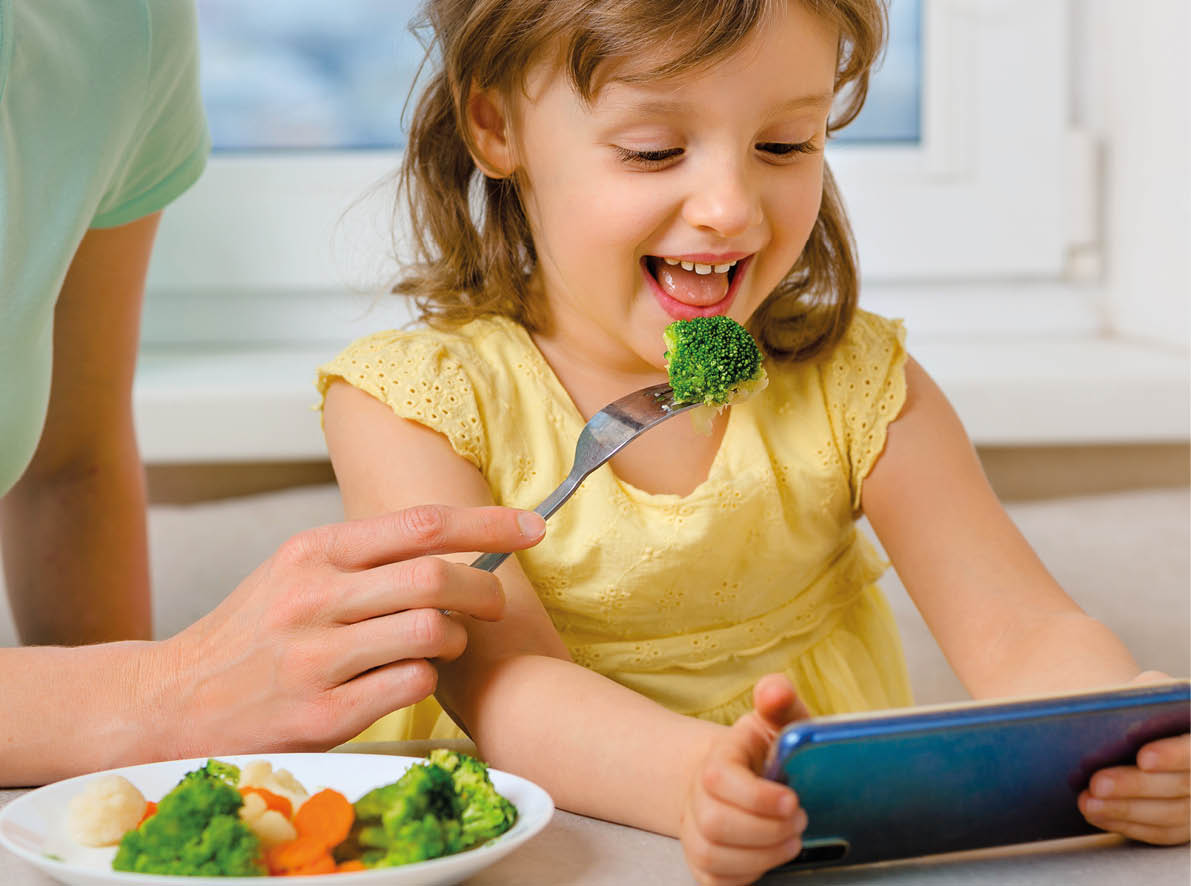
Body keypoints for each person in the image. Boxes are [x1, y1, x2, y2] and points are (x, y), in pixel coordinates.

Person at [318, 0, 1189, 882]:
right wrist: (702, 777)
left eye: (784, 145)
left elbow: (1021, 628)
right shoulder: (411, 403)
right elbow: (508, 688)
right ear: (496, 125)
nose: (729, 208)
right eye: (653, 150)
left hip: (824, 840)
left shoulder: (856, 380)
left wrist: (1122, 731)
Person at [0, 0, 544, 788]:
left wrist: (134, 795)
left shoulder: (125, 25)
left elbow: (70, 462)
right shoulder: (411, 396)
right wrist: (161, 692)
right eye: (653, 150)